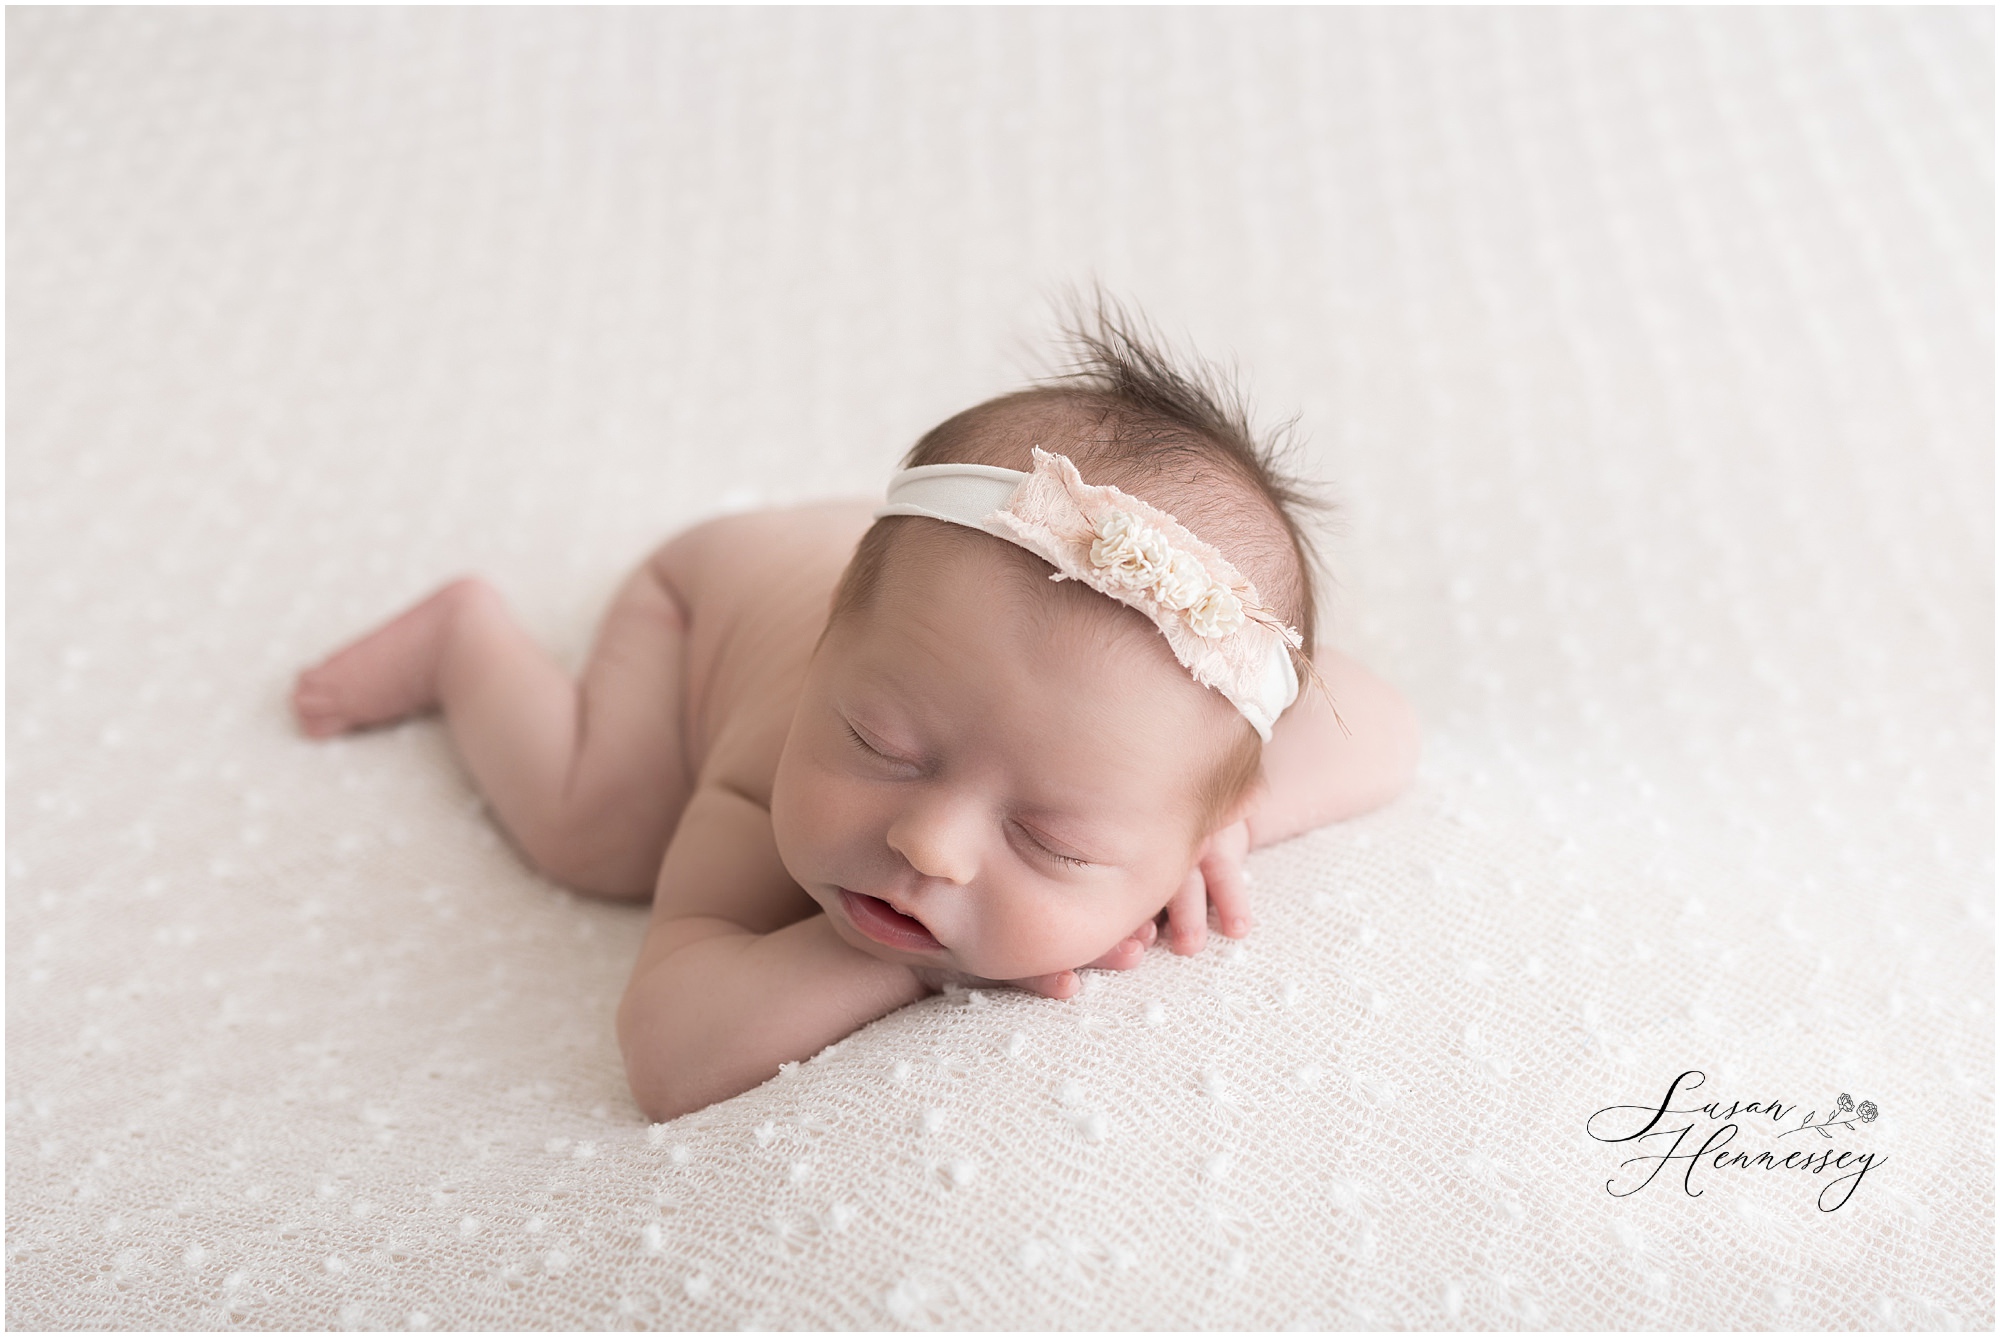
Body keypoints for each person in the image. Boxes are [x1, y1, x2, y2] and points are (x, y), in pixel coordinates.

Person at [293, 306, 1419, 1120]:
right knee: (601, 831)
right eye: (878, 745)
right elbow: (667, 1048)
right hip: (706, 601)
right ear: (832, 651)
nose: (925, 840)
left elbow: (1384, 728)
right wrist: (924, 962)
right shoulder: (762, 772)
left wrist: (1216, 817)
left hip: (957, 603)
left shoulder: (1140, 743)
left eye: (1051, 836)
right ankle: (463, 641)